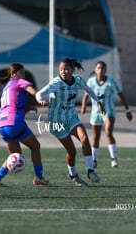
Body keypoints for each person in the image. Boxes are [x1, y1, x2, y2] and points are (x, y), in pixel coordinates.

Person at [35, 58, 105, 187]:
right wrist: (40, 100)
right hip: (57, 122)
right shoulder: (56, 83)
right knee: (72, 152)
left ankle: (90, 171)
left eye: (66, 69)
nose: (63, 71)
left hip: (71, 117)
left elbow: (89, 90)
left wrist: (98, 103)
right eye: (61, 69)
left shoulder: (77, 80)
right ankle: (73, 175)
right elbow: (39, 93)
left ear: (72, 70)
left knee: (84, 139)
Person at [0, 63, 48, 188]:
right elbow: (34, 92)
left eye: (24, 73)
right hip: (14, 123)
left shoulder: (6, 87)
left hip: (1, 124)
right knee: (35, 146)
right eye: (21, 72)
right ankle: (40, 177)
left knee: (14, 155)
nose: (23, 75)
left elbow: (12, 106)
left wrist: (28, 108)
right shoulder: (19, 81)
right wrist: (39, 98)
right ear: (14, 74)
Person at [81, 61, 132, 168]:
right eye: (98, 68)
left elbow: (121, 95)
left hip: (109, 111)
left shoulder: (111, 82)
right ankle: (94, 160)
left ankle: (114, 159)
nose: (101, 70)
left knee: (108, 132)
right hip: (95, 112)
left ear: (106, 70)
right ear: (95, 70)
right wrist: (84, 106)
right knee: (96, 136)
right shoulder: (91, 81)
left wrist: (127, 110)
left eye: (103, 68)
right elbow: (86, 94)